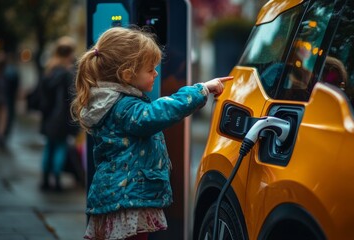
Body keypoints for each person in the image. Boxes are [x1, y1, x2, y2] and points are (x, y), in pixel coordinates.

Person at [70, 27, 232, 240]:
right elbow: (160, 111)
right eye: (150, 69)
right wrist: (201, 89)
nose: (156, 73)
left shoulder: (110, 103)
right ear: (127, 73)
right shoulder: (125, 108)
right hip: (128, 199)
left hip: (119, 196)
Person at [39, 36, 78, 192]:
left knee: (49, 146)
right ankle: (56, 179)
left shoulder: (49, 70)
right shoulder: (68, 73)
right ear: (69, 53)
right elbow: (72, 97)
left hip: (48, 116)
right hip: (62, 117)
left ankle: (45, 180)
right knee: (60, 147)